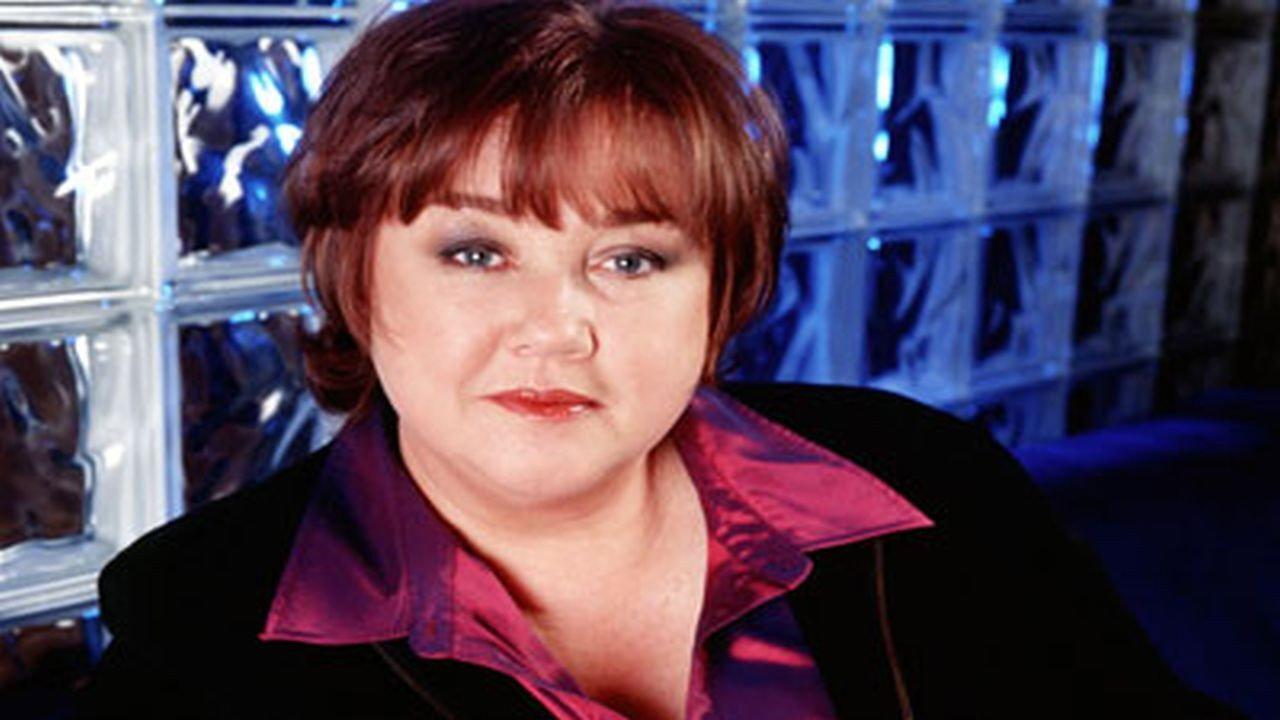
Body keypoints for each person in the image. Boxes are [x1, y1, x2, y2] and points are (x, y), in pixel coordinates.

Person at [80, 1, 1241, 718]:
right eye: (476, 251)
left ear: (718, 291)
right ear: (356, 276)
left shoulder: (925, 480)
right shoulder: (198, 627)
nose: (554, 328)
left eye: (630, 259)